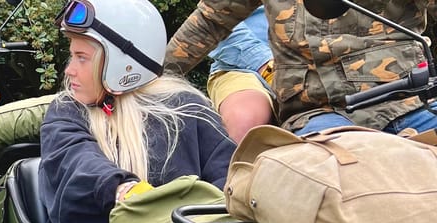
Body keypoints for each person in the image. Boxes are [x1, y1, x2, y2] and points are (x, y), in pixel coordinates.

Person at [39, 0, 236, 223]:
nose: (69, 70)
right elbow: (76, 159)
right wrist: (123, 189)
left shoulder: (187, 107)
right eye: (72, 56)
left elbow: (229, 179)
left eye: (81, 57)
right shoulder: (67, 111)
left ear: (122, 62)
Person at [165, 1, 437, 136]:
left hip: (411, 99)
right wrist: (150, 79)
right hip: (320, 112)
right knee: (335, 177)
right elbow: (209, 22)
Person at [206, 5, 275, 143]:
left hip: (316, 70)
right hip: (243, 69)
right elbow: (216, 19)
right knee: (244, 119)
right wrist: (268, 68)